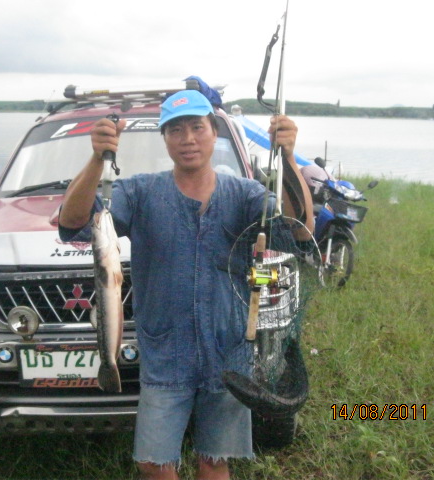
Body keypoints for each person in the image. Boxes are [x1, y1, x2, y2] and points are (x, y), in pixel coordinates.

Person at [58, 89, 314, 480]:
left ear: (215, 133)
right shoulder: (139, 192)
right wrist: (96, 159)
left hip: (230, 354)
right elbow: (74, 224)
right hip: (166, 354)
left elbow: (299, 230)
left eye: (197, 127)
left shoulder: (245, 194)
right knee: (152, 461)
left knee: (215, 459)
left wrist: (289, 157)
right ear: (164, 138)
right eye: (176, 130)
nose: (188, 139)